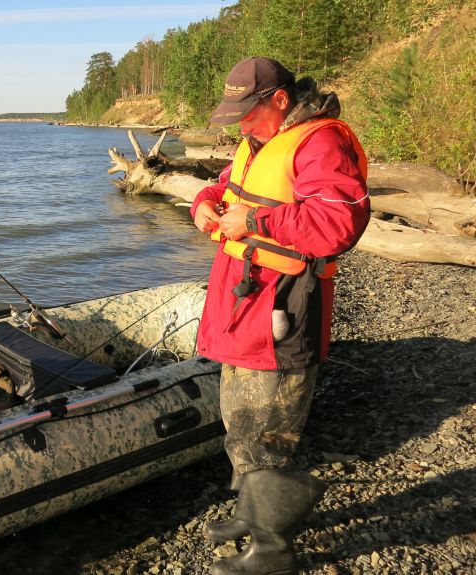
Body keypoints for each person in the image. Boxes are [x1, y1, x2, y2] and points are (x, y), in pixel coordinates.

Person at [189, 57, 370, 575]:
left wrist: (257, 220)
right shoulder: (260, 140)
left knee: (269, 434)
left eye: (247, 114)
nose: (240, 126)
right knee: (240, 423)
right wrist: (203, 203)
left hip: (282, 309)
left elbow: (340, 221)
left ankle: (272, 552)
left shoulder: (320, 142)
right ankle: (252, 512)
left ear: (280, 100)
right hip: (242, 306)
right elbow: (225, 185)